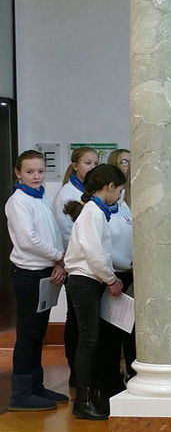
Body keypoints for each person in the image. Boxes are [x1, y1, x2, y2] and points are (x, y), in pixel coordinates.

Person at [5, 150, 68, 410]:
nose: (36, 176)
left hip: (44, 272)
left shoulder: (41, 197)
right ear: (18, 173)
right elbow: (28, 240)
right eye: (29, 172)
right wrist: (59, 257)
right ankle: (20, 394)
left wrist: (56, 261)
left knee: (38, 332)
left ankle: (36, 386)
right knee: (28, 334)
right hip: (28, 275)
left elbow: (51, 233)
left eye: (40, 171)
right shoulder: (18, 201)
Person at [63, 163, 125, 420]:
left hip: (90, 281)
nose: (120, 196)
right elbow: (94, 253)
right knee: (87, 341)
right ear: (109, 187)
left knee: (92, 340)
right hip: (84, 281)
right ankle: (83, 402)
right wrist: (111, 280)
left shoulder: (96, 211)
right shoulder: (92, 212)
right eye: (119, 190)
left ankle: (90, 397)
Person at [53, 146, 99, 384]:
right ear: (75, 166)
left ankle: (90, 373)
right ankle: (76, 374)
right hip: (77, 267)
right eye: (87, 163)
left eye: (95, 163)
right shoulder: (67, 194)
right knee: (77, 322)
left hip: (94, 267)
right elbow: (67, 233)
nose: (92, 167)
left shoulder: (92, 192)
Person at [96, 150, 135, 407]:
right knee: (109, 336)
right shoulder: (95, 211)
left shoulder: (121, 204)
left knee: (130, 332)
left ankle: (131, 377)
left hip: (128, 274)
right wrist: (112, 277)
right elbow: (99, 249)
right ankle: (106, 387)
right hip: (111, 277)